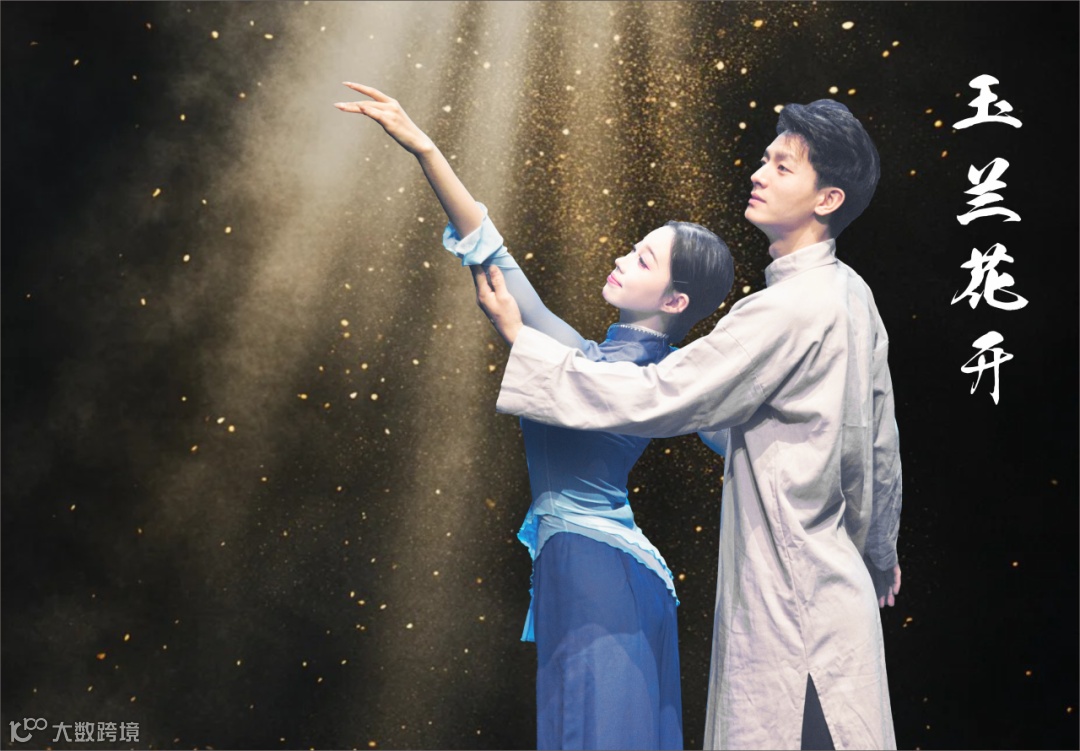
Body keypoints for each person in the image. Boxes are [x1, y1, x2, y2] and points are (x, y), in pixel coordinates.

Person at [475, 99, 903, 750]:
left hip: (790, 598)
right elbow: (875, 448)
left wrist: (522, 341)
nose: (759, 173)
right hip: (833, 585)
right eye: (765, 159)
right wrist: (879, 553)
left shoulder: (783, 310)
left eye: (782, 166)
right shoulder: (853, 294)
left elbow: (662, 393)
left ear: (828, 198)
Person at [335, 82, 735, 750]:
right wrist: (426, 149)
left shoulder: (653, 378)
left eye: (642, 258)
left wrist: (518, 335)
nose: (622, 257)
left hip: (600, 573)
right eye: (633, 247)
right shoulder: (588, 355)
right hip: (587, 565)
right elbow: (492, 254)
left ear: (674, 300)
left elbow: (581, 372)